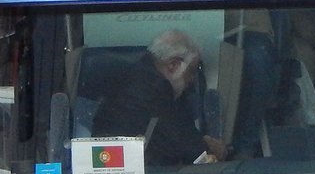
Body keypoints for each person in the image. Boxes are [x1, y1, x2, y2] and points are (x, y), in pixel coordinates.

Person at [92, 30, 228, 165]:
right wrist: (209, 147)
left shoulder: (134, 80)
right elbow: (188, 147)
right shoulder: (151, 94)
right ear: (173, 65)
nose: (192, 80)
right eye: (192, 70)